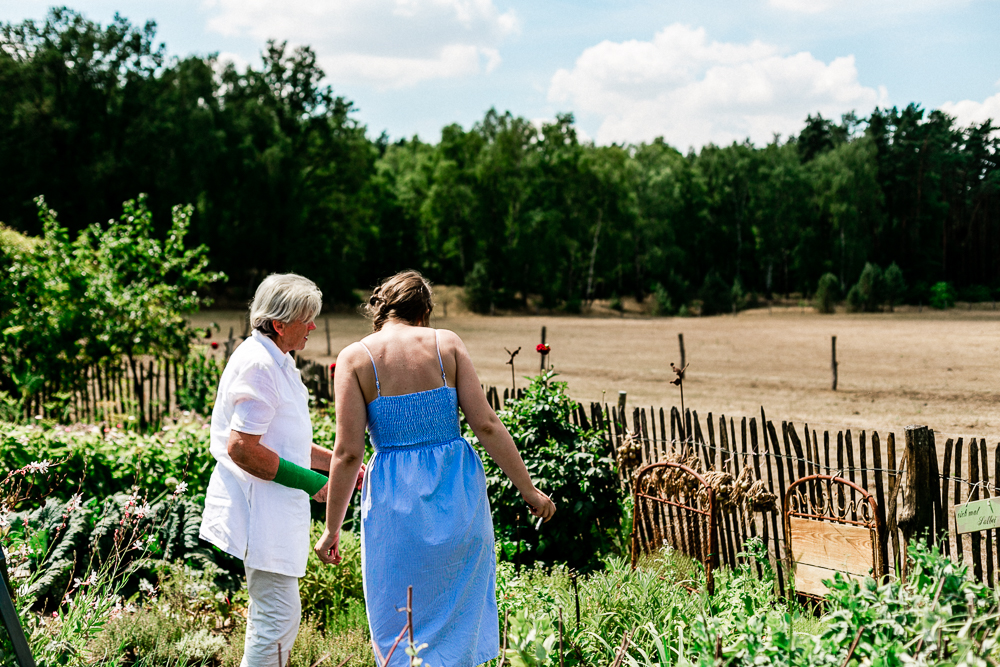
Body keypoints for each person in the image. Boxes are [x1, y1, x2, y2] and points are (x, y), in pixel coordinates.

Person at [314, 270, 556, 667]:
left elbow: (346, 455)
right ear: (424, 311)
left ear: (381, 309)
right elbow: (487, 426)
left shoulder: (356, 358)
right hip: (457, 493)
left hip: (395, 504)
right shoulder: (447, 344)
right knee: (459, 613)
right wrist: (529, 490)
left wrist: (331, 529)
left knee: (400, 616)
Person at [199, 273, 335, 667]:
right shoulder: (260, 364)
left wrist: (340, 466)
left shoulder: (276, 360)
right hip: (260, 510)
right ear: (279, 324)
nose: (313, 326)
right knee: (276, 616)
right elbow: (242, 448)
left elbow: (281, 440)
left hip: (271, 509)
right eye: (307, 319)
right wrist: (312, 482)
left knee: (275, 616)